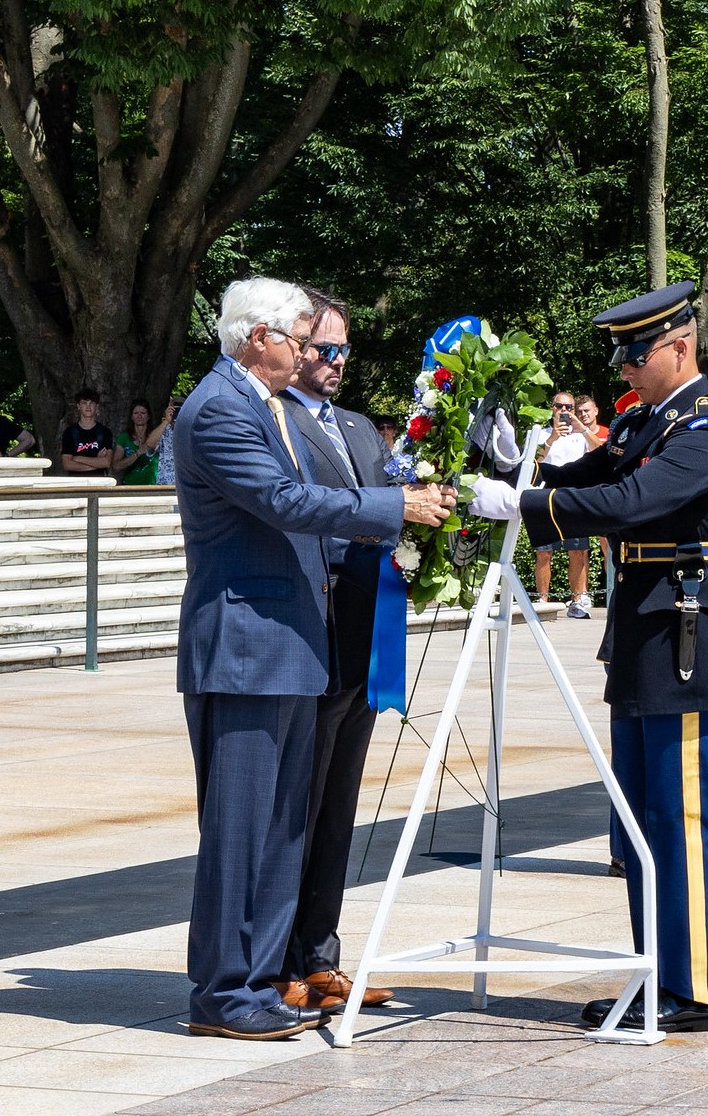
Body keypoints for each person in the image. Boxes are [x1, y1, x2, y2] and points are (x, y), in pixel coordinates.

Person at [470, 281, 708, 1034]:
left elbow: (630, 503)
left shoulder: (704, 430)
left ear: (679, 345)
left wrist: (528, 508)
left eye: (636, 351)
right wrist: (513, 468)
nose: (624, 366)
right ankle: (653, 975)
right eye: (623, 352)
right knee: (639, 821)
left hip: (687, 638)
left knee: (680, 814)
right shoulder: (650, 424)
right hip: (644, 636)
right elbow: (584, 480)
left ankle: (692, 989)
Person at [174, 276, 454, 1041]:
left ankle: (261, 980)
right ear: (258, 336)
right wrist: (396, 508)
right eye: (300, 340)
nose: (307, 355)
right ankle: (223, 991)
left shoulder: (259, 406)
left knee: (282, 829)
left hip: (286, 645)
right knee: (241, 829)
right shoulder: (221, 408)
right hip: (246, 649)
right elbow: (285, 502)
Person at [275, 289, 397, 1013]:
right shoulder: (276, 421)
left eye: (345, 350)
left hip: (363, 642)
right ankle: (283, 958)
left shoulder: (358, 428)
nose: (337, 362)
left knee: (340, 808)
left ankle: (322, 955)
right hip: (309, 636)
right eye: (324, 349)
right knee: (301, 803)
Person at [534, 391, 593, 619]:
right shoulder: (542, 434)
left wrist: (582, 427)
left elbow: (600, 451)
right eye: (560, 406)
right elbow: (533, 461)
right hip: (546, 495)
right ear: (552, 408)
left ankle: (577, 600)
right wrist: (551, 440)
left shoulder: (581, 436)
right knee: (544, 551)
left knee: (577, 550)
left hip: (573, 495)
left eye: (569, 408)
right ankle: (542, 600)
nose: (565, 411)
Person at [112, 399, 168, 484]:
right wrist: (137, 453)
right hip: (129, 487)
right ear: (131, 416)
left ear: (148, 416)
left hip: (154, 487)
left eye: (143, 413)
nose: (139, 416)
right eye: (136, 413)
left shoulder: (156, 436)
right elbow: (116, 466)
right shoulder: (124, 438)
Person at [60, 389, 113, 475]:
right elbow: (67, 464)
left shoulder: (105, 432)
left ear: (97, 406)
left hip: (99, 483)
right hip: (76, 483)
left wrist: (78, 458)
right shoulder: (69, 432)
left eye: (91, 403)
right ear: (78, 406)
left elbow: (106, 462)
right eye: (84, 403)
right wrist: (97, 462)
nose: (88, 407)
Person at [155, 397, 183, 486]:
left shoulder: (191, 429)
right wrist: (166, 421)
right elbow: (149, 446)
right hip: (165, 484)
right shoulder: (163, 430)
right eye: (175, 408)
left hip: (184, 484)